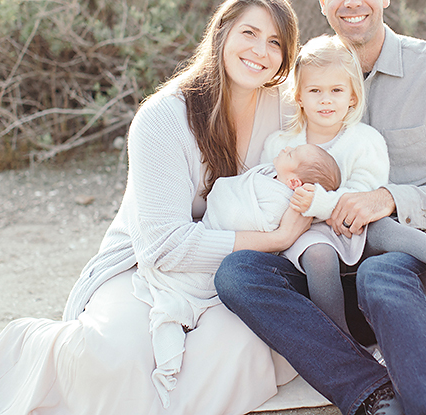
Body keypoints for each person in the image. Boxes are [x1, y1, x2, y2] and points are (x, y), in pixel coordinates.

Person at [0, 0, 311, 415]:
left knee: (234, 353)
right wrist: (276, 237)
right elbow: (163, 245)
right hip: (141, 267)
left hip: (230, 273)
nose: (260, 50)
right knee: (116, 360)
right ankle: (35, 347)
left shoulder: (289, 113)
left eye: (275, 42)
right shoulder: (163, 118)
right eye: (249, 33)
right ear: (222, 33)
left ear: (285, 58)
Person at [216, 0, 426, 415]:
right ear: (322, 0)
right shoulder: (300, 83)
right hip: (334, 279)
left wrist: (388, 199)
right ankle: (375, 398)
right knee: (238, 272)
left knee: (380, 272)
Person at [260, 34, 426, 336]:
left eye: (336, 90)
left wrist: (323, 203)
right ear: (298, 96)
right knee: (319, 256)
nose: (325, 99)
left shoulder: (364, 140)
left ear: (352, 97)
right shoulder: (280, 145)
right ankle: (339, 340)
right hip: (306, 231)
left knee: (384, 227)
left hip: (355, 224)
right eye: (315, 90)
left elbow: (364, 193)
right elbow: (266, 190)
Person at [135, 142, 340, 404]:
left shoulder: (281, 201)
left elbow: (252, 220)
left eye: (291, 154)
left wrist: (285, 228)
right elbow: (228, 188)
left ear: (294, 183)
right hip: (206, 235)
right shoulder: (266, 174)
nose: (285, 147)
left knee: (184, 293)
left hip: (222, 254)